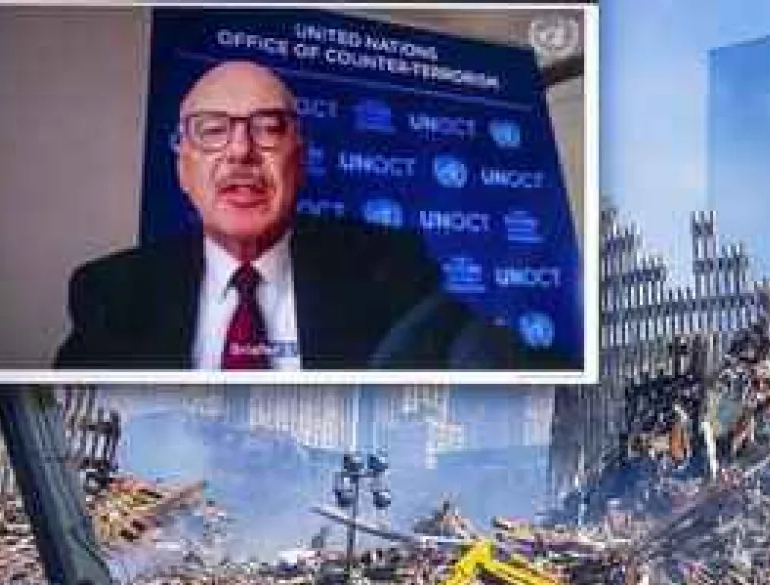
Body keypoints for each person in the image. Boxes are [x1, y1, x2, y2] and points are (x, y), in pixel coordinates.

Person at [54, 59, 570, 372]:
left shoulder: (388, 267)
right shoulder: (111, 292)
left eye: (268, 128)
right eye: (212, 130)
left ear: (298, 158)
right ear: (182, 164)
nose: (240, 152)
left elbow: (473, 348)